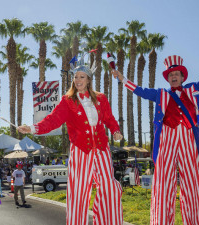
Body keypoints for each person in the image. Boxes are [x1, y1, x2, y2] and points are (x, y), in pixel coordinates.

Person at [18, 53, 123, 225]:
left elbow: (110, 119)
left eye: (82, 77)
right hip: (81, 151)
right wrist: (33, 128)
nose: (78, 80)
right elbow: (52, 120)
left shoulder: (101, 98)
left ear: (88, 79)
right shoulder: (67, 101)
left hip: (102, 150)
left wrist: (116, 130)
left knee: (110, 188)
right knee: (78, 193)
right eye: (75, 77)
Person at [112, 55, 199, 225]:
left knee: (192, 183)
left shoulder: (193, 89)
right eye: (170, 75)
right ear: (167, 79)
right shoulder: (160, 94)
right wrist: (123, 79)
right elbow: (141, 91)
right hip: (167, 139)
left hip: (188, 138)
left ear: (183, 77)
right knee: (163, 183)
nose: (173, 77)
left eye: (176, 74)